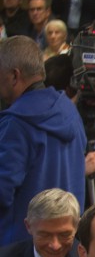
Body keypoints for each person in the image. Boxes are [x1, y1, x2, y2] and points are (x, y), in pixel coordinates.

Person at [0, 36, 87, 246]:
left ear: (14, 76)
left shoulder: (16, 122)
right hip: (67, 242)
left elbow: (2, 191)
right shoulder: (69, 111)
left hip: (20, 248)